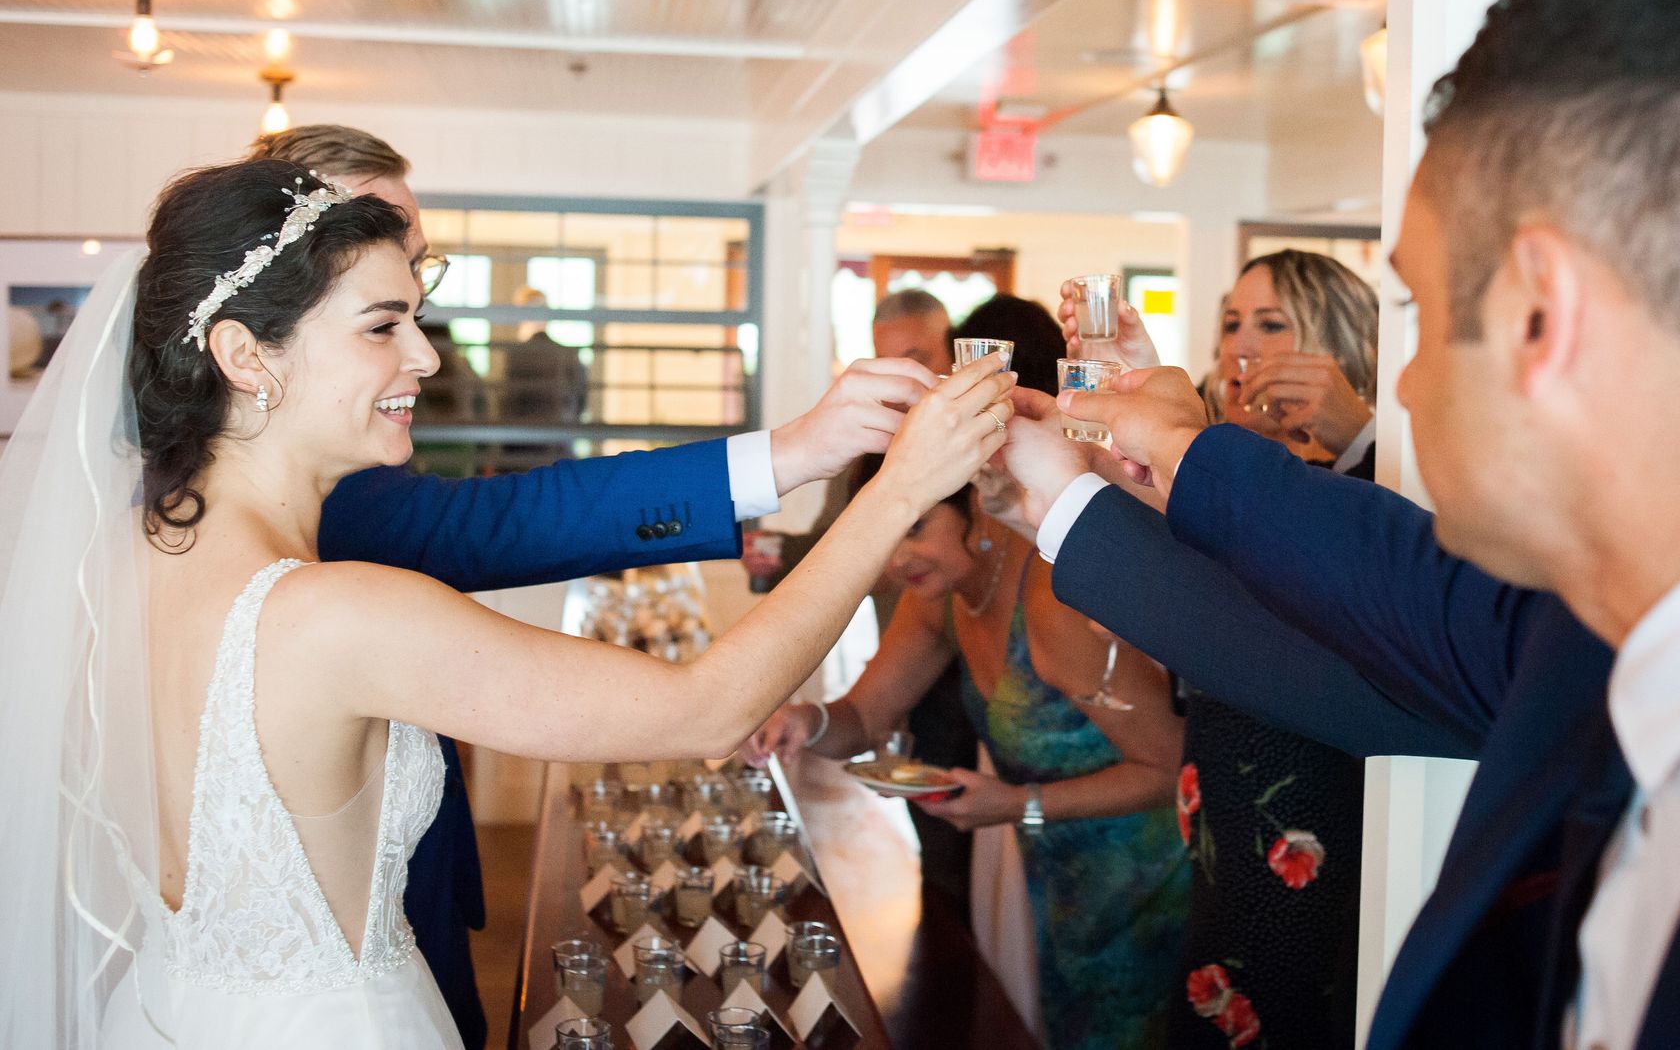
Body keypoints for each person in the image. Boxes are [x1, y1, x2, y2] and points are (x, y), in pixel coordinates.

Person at [1002, 0, 1680, 1048]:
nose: (1413, 384)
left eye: (1424, 316)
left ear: (1546, 316)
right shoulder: (1606, 614)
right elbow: (1394, 589)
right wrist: (1127, 467)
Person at [0, 158, 1017, 1047]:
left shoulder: (112, 570)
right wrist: (894, 495)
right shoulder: (334, 614)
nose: (428, 359)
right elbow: (707, 708)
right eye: (382, 326)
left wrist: (797, 452)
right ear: (244, 356)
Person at [239, 125, 916, 1047]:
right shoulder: (316, 543)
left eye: (416, 269)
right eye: (379, 291)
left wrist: (795, 453)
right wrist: (833, 467)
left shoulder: (231, 511)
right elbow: (504, 522)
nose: (426, 341)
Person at [746, 458, 1189, 1050]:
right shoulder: (939, 597)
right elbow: (864, 718)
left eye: (916, 527)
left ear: (974, 506)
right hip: (1055, 876)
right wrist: (806, 720)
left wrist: (1018, 803)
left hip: (1146, 880)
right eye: (886, 532)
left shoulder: (1052, 599)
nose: (897, 558)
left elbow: (1171, 768)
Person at [1087, 252, 1383, 1050]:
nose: (1243, 345)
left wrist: (1356, 433)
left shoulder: (1374, 474)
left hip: (1315, 808)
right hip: (1219, 797)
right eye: (1231, 324)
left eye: (1273, 323)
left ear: (1340, 340)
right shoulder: (1218, 473)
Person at [742, 286, 980, 910]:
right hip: (911, 654)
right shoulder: (872, 447)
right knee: (941, 840)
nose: (910, 375)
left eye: (919, 354)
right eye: (890, 360)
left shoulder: (982, 448)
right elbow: (839, 546)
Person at [498, 284, 590, 470]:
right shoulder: (569, 354)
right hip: (561, 449)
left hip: (521, 454)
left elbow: (507, 405)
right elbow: (581, 403)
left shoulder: (515, 356)